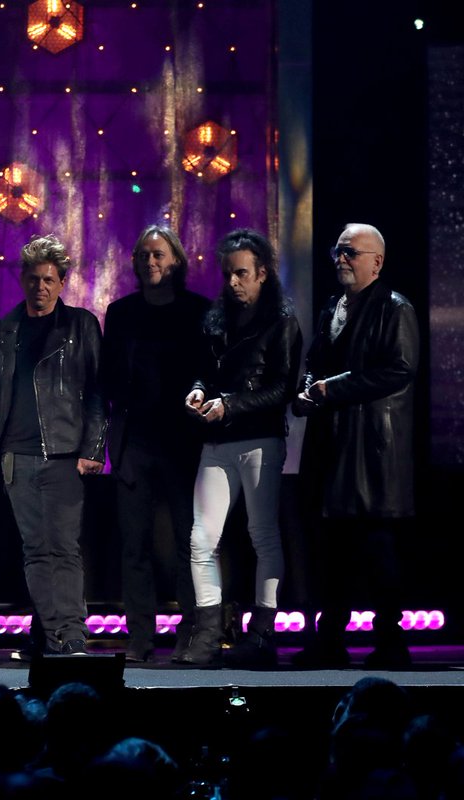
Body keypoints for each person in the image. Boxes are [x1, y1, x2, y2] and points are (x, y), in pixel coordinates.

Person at [292, 223, 419, 669]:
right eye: (338, 251)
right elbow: (316, 361)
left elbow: (399, 368)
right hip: (334, 448)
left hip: (373, 451)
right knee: (333, 552)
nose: (341, 259)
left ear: (376, 262)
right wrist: (308, 390)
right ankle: (330, 640)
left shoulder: (395, 308)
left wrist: (333, 388)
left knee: (378, 551)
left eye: (351, 252)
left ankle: (391, 643)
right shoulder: (334, 306)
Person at [180, 228, 302, 667]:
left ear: (262, 273)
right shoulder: (218, 321)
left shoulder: (281, 322)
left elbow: (282, 389)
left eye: (242, 274)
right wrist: (198, 390)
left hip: (259, 441)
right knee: (201, 539)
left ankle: (263, 633)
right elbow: (204, 371)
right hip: (218, 440)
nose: (233, 282)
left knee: (262, 534)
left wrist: (229, 405)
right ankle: (208, 632)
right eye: (228, 274)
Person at [99, 225, 210, 663]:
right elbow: (107, 377)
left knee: (187, 542)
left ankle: (191, 631)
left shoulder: (197, 311)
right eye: (144, 255)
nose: (150, 261)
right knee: (135, 544)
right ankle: (140, 636)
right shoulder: (121, 312)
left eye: (158, 254)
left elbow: (207, 369)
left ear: (176, 260)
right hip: (135, 442)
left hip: (183, 442)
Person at [0, 234, 106, 657]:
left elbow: (97, 391)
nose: (40, 286)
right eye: (34, 278)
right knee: (35, 550)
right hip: (16, 455)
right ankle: (55, 634)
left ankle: (72, 633)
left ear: (62, 282)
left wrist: (93, 448)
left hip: (63, 453)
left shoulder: (80, 325)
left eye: (48, 280)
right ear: (22, 279)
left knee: (63, 547)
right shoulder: (7, 328)